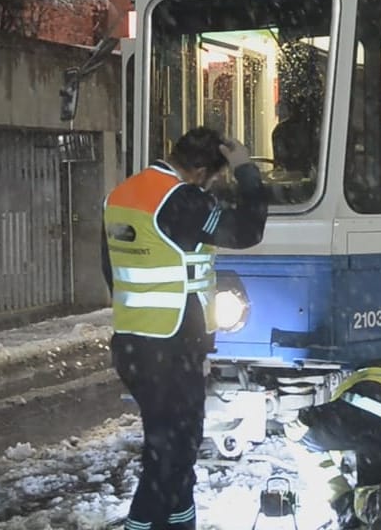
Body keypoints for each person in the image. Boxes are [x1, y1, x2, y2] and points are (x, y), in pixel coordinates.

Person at [101, 126, 268, 530]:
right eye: (212, 178)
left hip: (134, 345)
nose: (211, 186)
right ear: (198, 170)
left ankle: (180, 523)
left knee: (178, 447)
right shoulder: (179, 200)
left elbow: (110, 270)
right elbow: (248, 231)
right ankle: (141, 525)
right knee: (169, 455)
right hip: (171, 349)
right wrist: (246, 172)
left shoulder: (122, 194)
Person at [282, 361, 381, 530]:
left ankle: (344, 503)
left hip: (360, 413)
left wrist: (338, 467)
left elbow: (337, 418)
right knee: (380, 483)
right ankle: (373, 502)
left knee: (296, 436)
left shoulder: (360, 375)